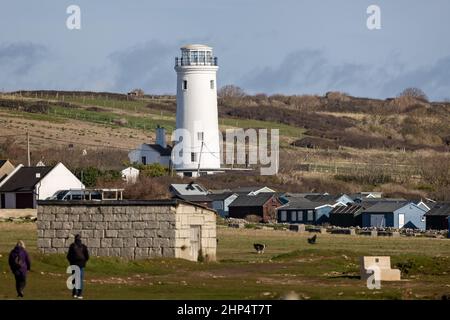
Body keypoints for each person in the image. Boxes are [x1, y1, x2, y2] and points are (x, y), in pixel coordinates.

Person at [67, 234, 89, 299]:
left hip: (74, 264)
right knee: (80, 279)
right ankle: (80, 294)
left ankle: (74, 293)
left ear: (75, 239)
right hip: (81, 265)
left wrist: (71, 262)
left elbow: (68, 256)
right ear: (80, 239)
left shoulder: (72, 246)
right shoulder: (84, 246)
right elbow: (87, 256)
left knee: (74, 278)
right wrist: (84, 262)